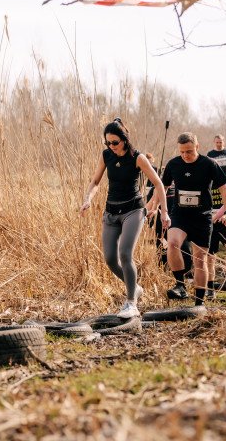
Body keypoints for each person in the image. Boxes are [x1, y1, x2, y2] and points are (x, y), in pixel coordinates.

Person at [80, 119, 170, 318]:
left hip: (133, 211)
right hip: (111, 212)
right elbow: (95, 181)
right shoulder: (106, 156)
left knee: (125, 253)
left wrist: (164, 212)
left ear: (124, 140)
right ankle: (134, 287)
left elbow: (158, 184)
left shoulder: (137, 158)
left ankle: (131, 303)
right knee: (110, 259)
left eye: (115, 142)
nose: (111, 147)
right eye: (108, 143)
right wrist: (88, 198)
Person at [161, 132, 226, 305]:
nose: (186, 155)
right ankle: (180, 285)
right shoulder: (173, 164)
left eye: (190, 151)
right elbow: (162, 188)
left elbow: (224, 190)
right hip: (180, 215)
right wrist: (160, 209)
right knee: (172, 243)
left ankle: (199, 303)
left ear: (197, 147)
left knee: (200, 260)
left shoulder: (209, 164)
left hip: (202, 217)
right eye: (182, 152)